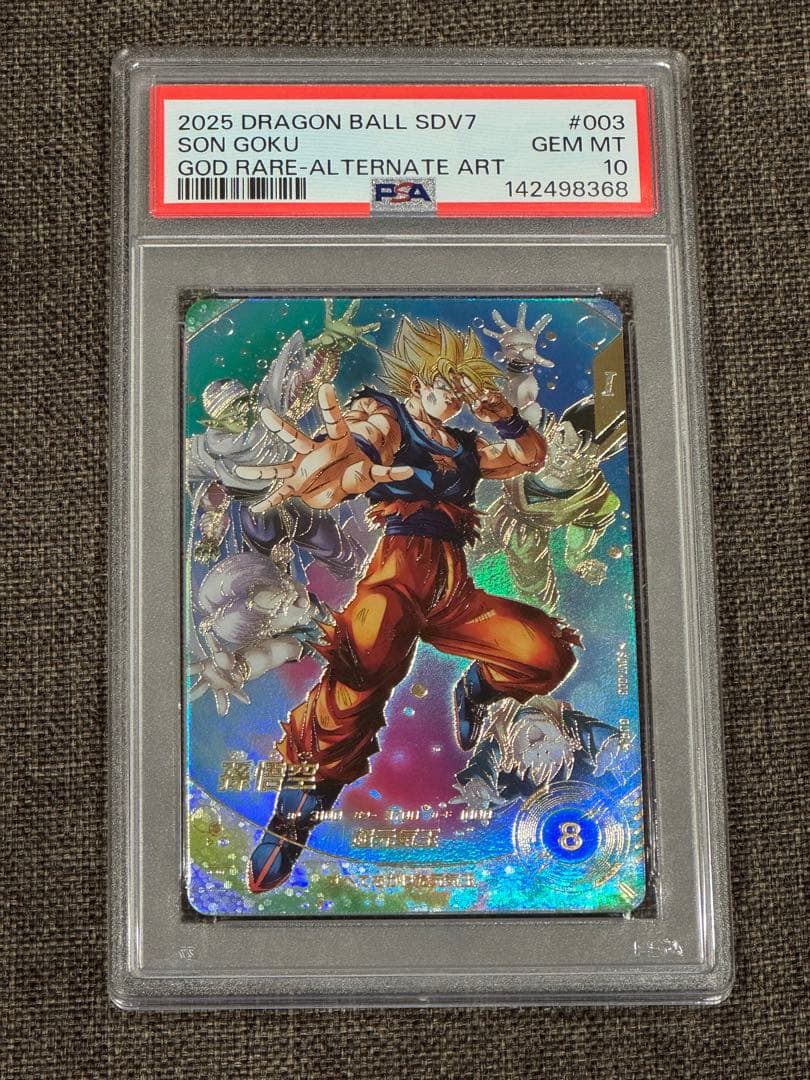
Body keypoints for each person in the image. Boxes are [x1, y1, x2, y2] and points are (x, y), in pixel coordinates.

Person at [235, 308, 581, 892]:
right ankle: (296, 810)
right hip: (395, 579)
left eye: (461, 389)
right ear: (418, 383)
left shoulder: (466, 446)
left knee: (545, 653)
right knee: (360, 667)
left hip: (452, 592)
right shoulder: (389, 418)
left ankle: (476, 689)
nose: (453, 397)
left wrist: (505, 416)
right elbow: (357, 440)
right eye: (444, 384)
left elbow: (528, 458)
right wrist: (333, 458)